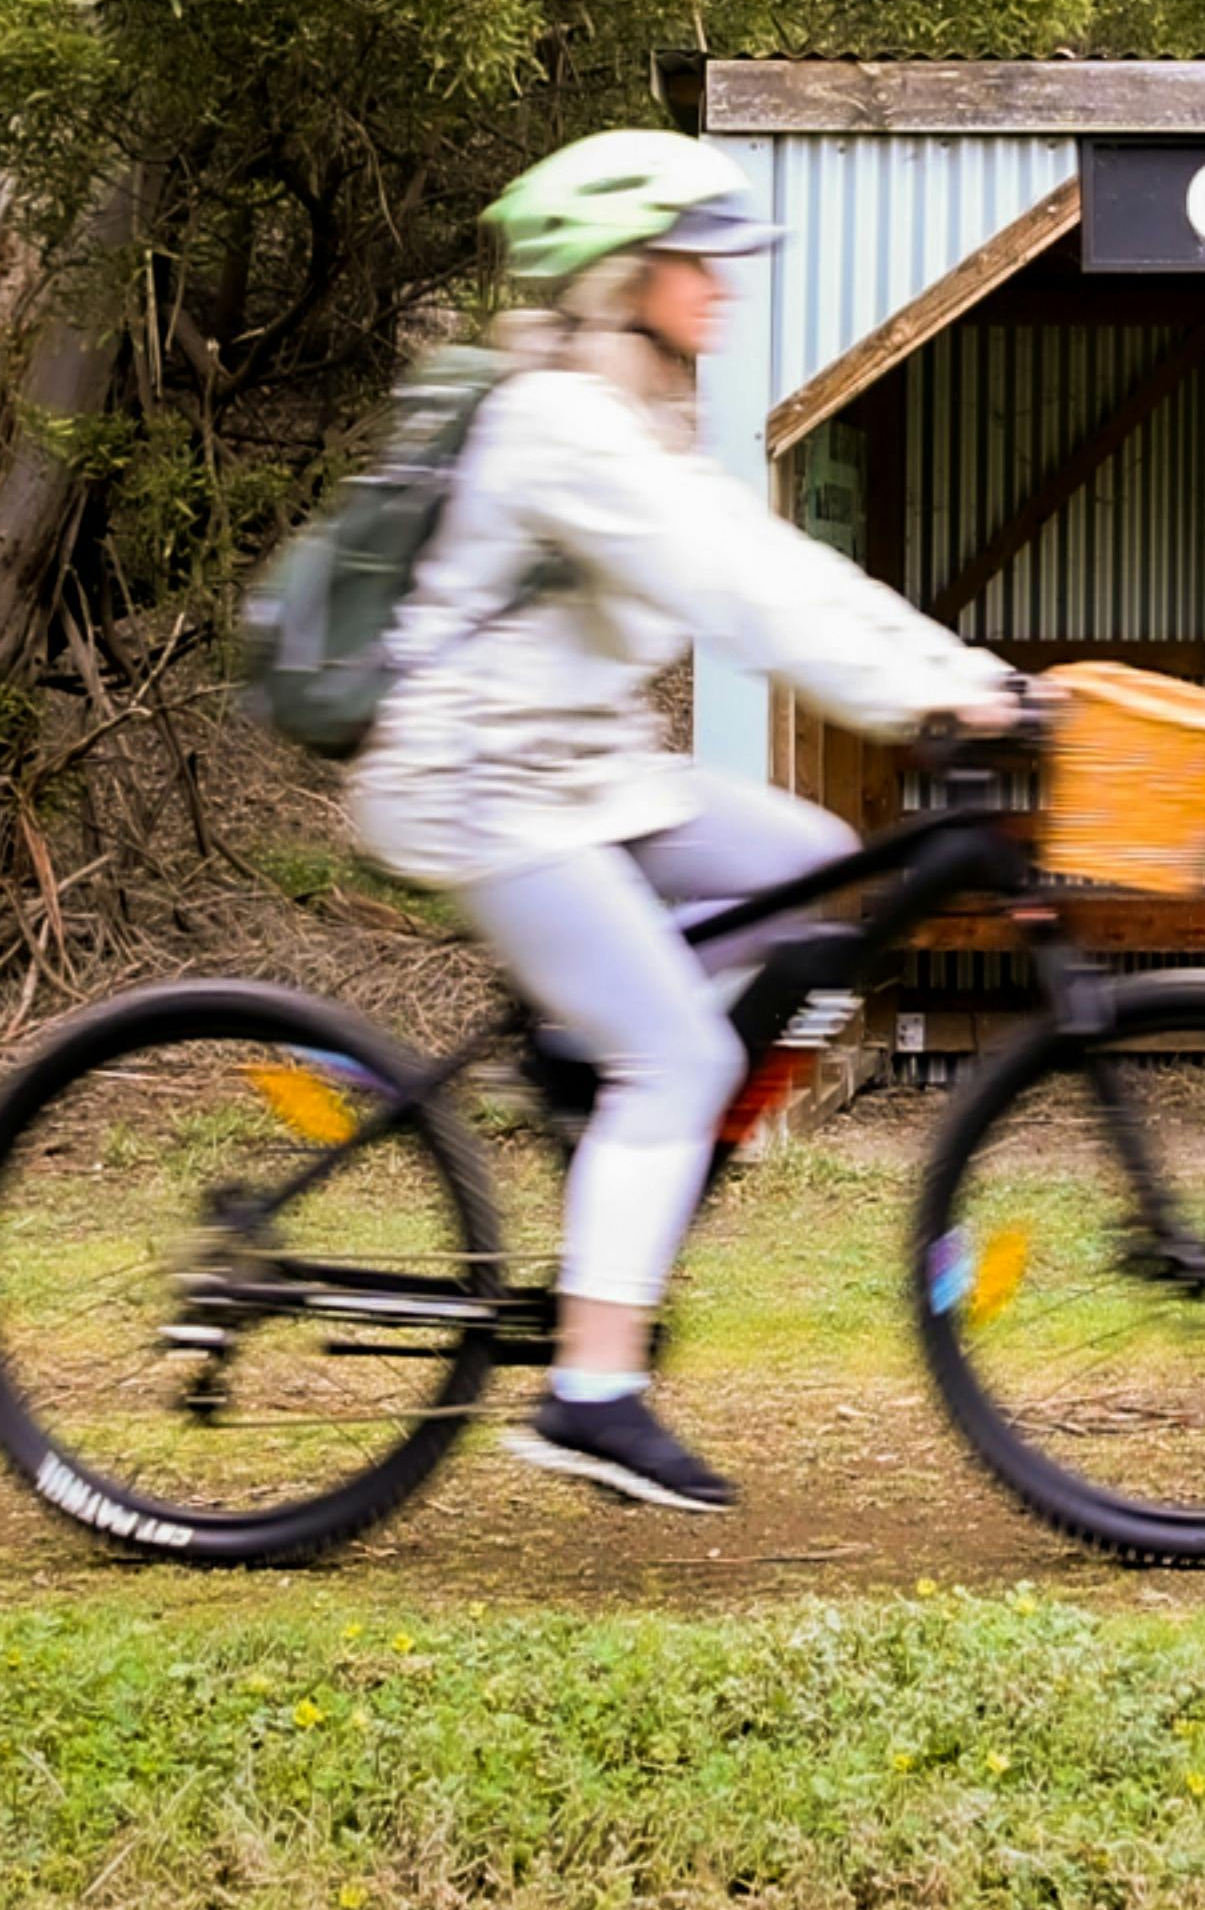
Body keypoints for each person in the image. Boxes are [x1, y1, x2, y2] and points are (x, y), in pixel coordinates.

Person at [345, 128, 1024, 1513]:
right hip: (487, 784)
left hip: (588, 771)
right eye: (695, 261)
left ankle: (603, 1087)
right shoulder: (561, 427)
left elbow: (778, 561)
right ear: (619, 273)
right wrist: (939, 698)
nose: (722, 286)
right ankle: (591, 1392)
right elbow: (737, 598)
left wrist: (962, 675)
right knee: (675, 1059)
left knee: (814, 865)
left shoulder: (636, 410)